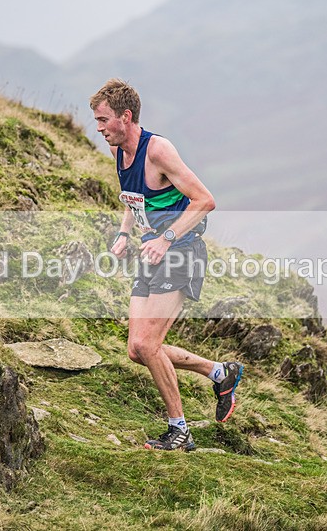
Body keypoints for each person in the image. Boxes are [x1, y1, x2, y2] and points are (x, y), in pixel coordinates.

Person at [90, 78, 243, 451]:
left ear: (126, 117)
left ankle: (180, 431)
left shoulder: (158, 151)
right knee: (137, 349)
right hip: (150, 254)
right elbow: (133, 198)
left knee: (147, 343)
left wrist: (166, 238)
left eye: (104, 120)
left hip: (180, 253)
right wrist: (124, 234)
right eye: (96, 121)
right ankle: (219, 372)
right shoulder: (118, 151)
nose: (99, 128)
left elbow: (205, 200)